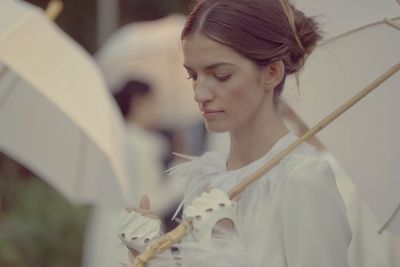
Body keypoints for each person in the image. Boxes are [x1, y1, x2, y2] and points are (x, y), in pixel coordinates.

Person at [118, 0, 352, 266]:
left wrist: (226, 244)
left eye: (221, 75)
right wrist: (150, 256)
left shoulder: (303, 179)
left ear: (272, 73)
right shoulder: (205, 182)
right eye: (193, 76)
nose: (200, 94)